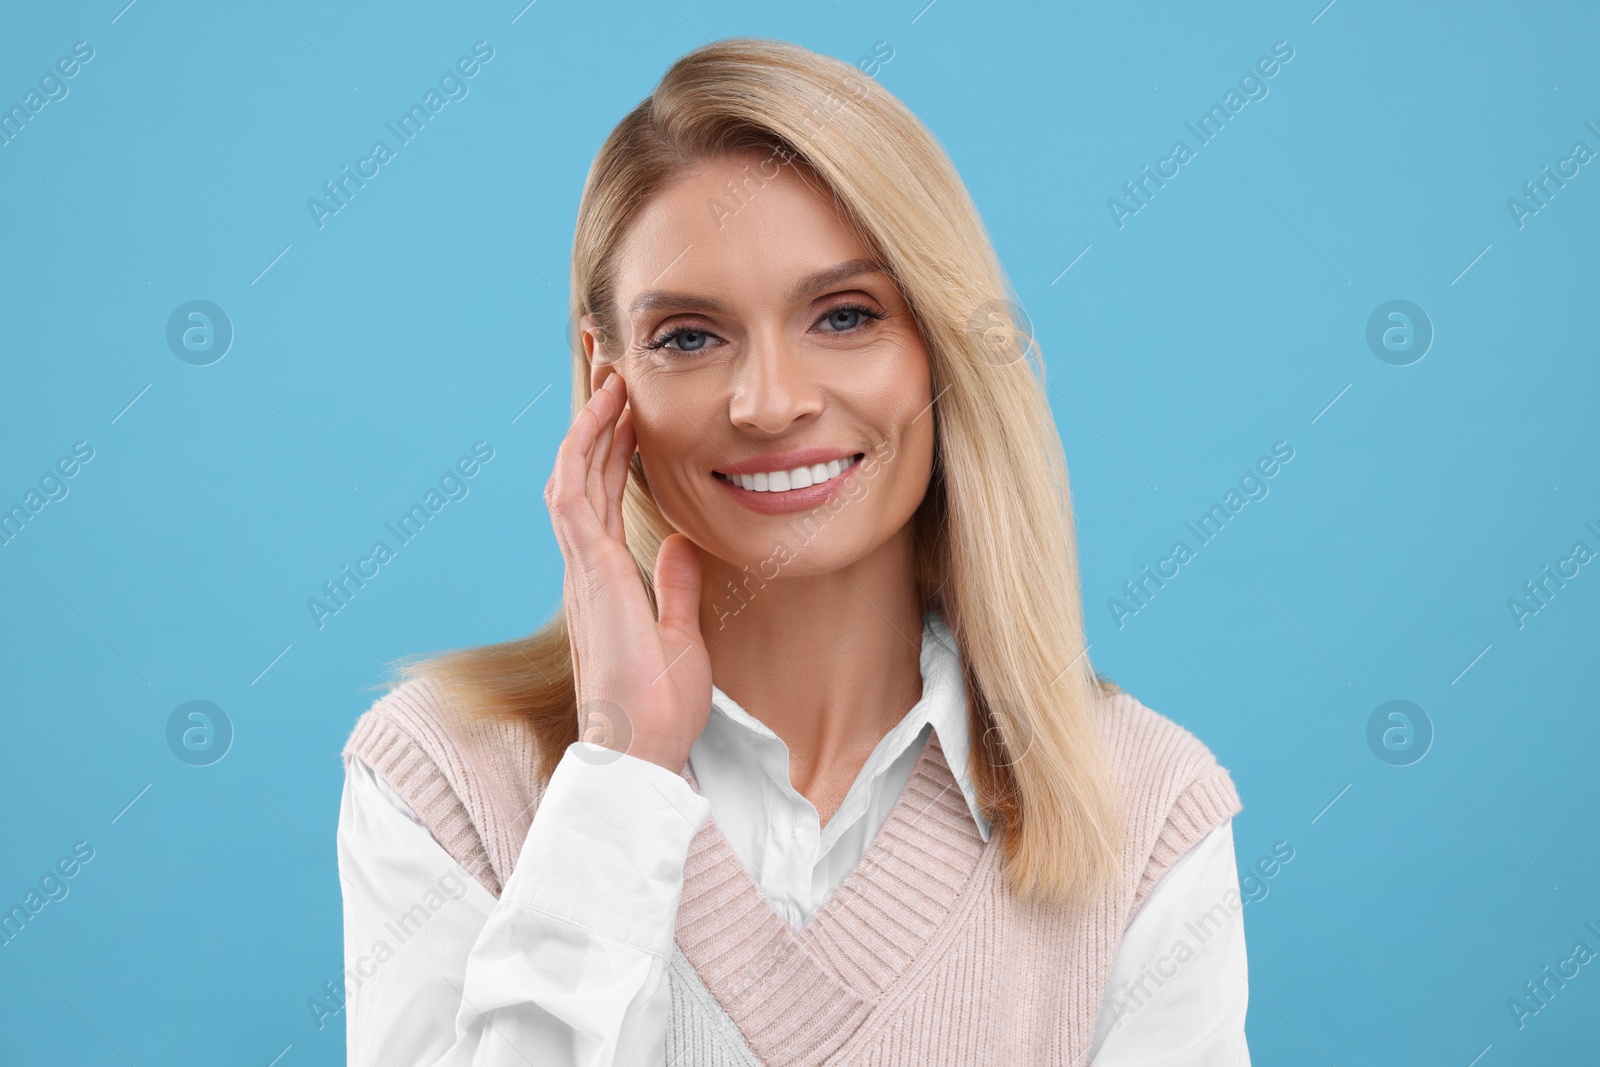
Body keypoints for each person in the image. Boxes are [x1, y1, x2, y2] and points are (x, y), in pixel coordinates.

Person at [336, 36, 1249, 1066]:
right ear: (606, 378)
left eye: (846, 315)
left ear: (945, 347)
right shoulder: (445, 777)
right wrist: (619, 775)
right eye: (689, 335)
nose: (770, 401)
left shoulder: (1144, 803)